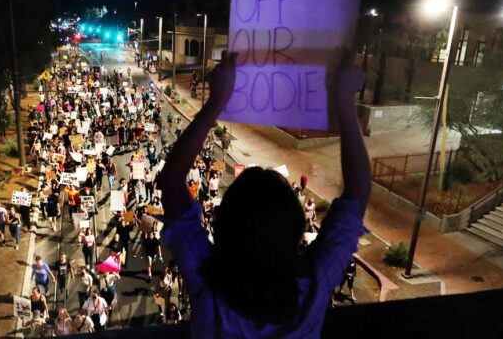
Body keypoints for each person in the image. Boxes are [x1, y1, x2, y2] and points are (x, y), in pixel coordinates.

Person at [156, 51, 370, 337]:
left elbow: (170, 182)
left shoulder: (209, 286)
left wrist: (216, 101)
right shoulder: (313, 285)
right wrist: (345, 102)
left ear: (224, 226)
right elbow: (357, 194)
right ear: (295, 228)